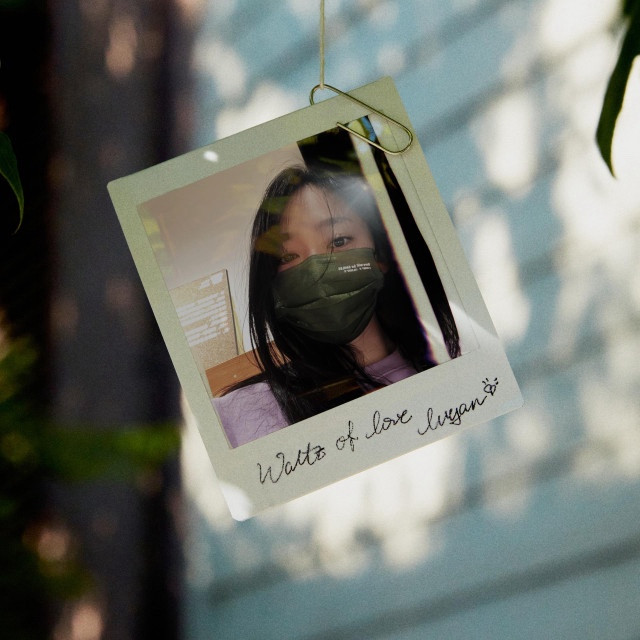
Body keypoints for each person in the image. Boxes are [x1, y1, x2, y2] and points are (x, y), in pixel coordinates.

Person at [213, 164, 454, 448]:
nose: (317, 270)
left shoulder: (452, 365)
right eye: (287, 256)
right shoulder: (232, 418)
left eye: (338, 240)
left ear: (380, 255)